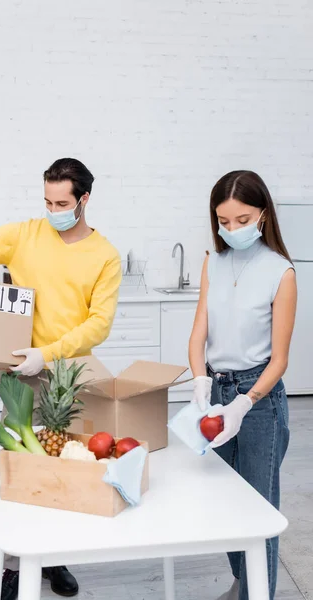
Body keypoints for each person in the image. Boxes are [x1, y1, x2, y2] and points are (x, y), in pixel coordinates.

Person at [0, 157, 122, 600]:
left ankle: (53, 556)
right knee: (17, 474)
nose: (52, 209)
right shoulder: (25, 235)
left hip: (71, 378)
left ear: (84, 200)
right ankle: (13, 571)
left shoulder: (105, 256)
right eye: (47, 200)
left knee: (65, 475)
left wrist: (49, 353)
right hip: (21, 376)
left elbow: (100, 324)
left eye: (61, 202)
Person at [189, 170, 297, 600]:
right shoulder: (211, 262)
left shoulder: (281, 273)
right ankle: (244, 583)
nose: (231, 229)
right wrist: (200, 376)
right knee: (225, 500)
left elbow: (281, 359)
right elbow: (199, 331)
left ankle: (258, 594)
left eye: (242, 219)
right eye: (223, 220)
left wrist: (245, 404)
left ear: (263, 215)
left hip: (259, 400)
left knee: (258, 509)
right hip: (217, 389)